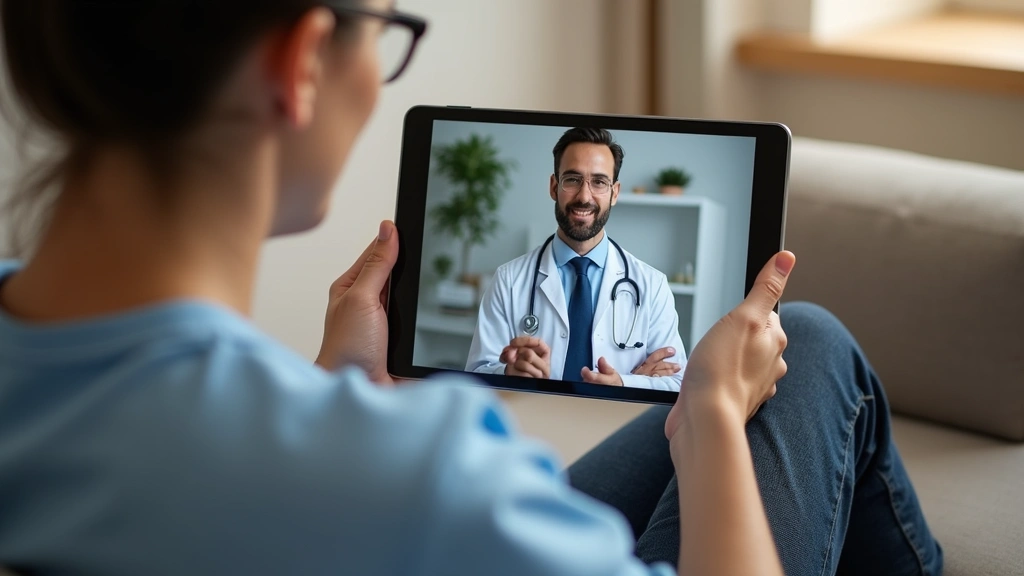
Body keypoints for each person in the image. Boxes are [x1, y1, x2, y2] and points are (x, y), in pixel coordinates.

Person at [0, 2, 942, 576]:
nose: (584, 195)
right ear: (300, 64)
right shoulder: (417, 473)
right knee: (808, 341)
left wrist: (336, 394)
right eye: (389, 33)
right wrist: (710, 422)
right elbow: (358, 490)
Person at [467, 128, 686, 390]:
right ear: (553, 187)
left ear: (615, 193)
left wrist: (623, 383)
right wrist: (508, 372)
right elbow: (476, 373)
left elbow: (677, 382)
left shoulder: (652, 285)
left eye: (599, 182)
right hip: (533, 420)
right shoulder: (508, 279)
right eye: (572, 180)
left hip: (614, 426)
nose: (584, 196)